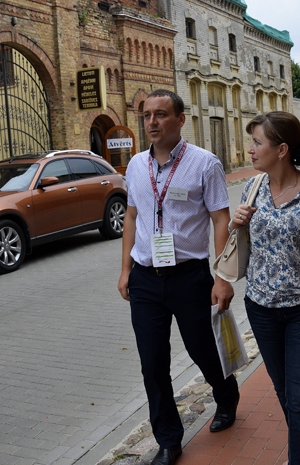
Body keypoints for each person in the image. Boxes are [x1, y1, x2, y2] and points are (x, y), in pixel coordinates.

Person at [117, 89, 240, 465]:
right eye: (147, 115)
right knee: (152, 362)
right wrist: (125, 270)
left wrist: (222, 275)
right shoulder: (136, 165)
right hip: (145, 278)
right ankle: (169, 438)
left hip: (189, 276)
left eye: (161, 115)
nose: (152, 122)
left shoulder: (205, 164)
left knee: (202, 348)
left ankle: (226, 394)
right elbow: (133, 217)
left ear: (180, 119)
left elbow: (221, 219)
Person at [229, 111, 300, 465]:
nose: (250, 150)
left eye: (256, 143)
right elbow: (249, 244)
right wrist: (239, 224)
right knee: (284, 390)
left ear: (281, 150)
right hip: (261, 308)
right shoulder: (255, 187)